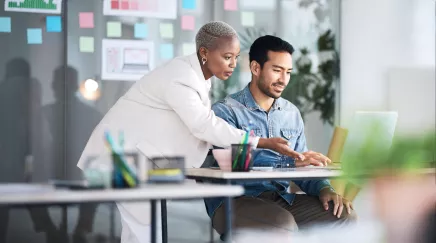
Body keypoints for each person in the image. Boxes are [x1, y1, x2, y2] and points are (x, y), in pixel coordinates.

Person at [77, 21, 304, 243]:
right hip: (119, 158)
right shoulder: (181, 76)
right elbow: (203, 125)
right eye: (227, 57)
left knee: (142, 230)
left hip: (133, 159)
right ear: (204, 52)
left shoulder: (197, 78)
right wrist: (262, 142)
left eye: (235, 57)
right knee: (144, 230)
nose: (233, 64)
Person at [204, 35, 357, 237]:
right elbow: (235, 166)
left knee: (344, 216)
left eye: (288, 72)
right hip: (235, 201)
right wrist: (289, 163)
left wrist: (324, 189)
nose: (283, 79)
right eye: (277, 70)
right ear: (256, 68)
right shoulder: (226, 111)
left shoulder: (291, 113)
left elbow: (302, 166)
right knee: (282, 224)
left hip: (281, 200)